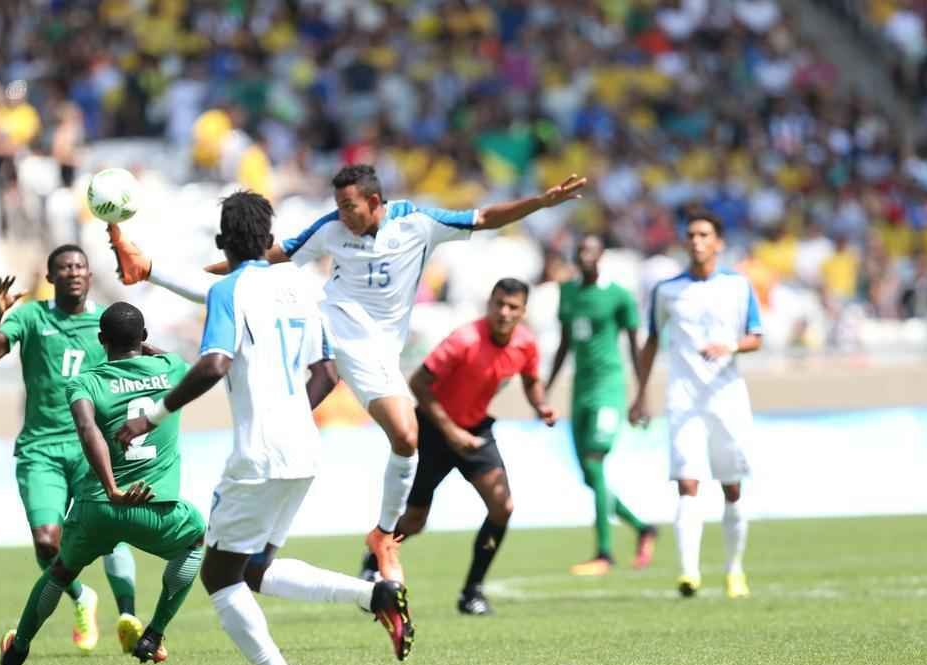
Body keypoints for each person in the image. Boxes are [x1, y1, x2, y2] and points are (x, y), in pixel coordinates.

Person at [112, 163, 587, 586]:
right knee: (244, 290)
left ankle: (384, 534)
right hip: (330, 319)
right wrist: (190, 269)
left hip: (376, 348)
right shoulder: (332, 228)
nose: (343, 214)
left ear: (375, 203)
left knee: (406, 437)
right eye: (338, 206)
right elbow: (263, 258)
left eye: (349, 206)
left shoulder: (417, 223)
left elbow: (484, 218)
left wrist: (539, 204)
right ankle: (146, 267)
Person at [115, 190, 412, 665]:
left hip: (258, 455)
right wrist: (293, 409)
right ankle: (375, 596)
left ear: (221, 244)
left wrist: (151, 416)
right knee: (252, 569)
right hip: (303, 450)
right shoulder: (303, 288)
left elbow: (213, 364)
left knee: (218, 577)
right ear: (272, 241)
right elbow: (326, 373)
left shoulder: (230, 290)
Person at [0, 303, 205, 665]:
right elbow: (170, 358)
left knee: (60, 572)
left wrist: (111, 489)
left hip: (98, 507)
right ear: (143, 338)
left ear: (100, 341)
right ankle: (154, 634)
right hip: (155, 508)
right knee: (195, 539)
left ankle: (19, 649)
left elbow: (86, 429)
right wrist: (146, 348)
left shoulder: (85, 382)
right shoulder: (172, 369)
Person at [0, 245, 139, 653]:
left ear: (88, 273)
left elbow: (131, 366)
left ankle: (129, 617)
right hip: (41, 449)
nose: (74, 272)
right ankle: (83, 597)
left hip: (92, 446)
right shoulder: (31, 317)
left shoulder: (104, 322)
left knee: (111, 534)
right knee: (47, 542)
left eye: (80, 265)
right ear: (50, 277)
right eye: (64, 267)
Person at [374, 278, 556, 616]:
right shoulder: (464, 339)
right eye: (498, 303)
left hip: (475, 430)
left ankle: (472, 591)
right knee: (414, 521)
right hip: (432, 429)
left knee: (502, 507)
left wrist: (540, 405)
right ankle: (375, 557)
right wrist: (451, 431)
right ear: (489, 302)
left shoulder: (526, 344)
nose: (503, 312)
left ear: (523, 312)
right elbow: (419, 383)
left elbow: (531, 380)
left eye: (512, 307)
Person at [629, 209, 763, 599]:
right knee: (687, 483)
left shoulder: (738, 286)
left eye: (704, 234)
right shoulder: (667, 290)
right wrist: (640, 395)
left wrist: (730, 346)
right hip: (683, 398)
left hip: (727, 397)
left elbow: (757, 336)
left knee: (732, 487)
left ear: (719, 242)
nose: (696, 241)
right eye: (691, 235)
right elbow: (651, 341)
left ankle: (734, 569)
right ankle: (688, 573)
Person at [547, 234, 657, 576]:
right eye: (580, 251)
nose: (586, 256)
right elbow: (564, 343)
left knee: (595, 462)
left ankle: (604, 553)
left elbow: (636, 346)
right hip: (580, 390)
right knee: (588, 475)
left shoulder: (618, 296)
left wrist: (642, 396)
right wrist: (545, 391)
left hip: (610, 388)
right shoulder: (567, 293)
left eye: (591, 251)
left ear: (602, 256)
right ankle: (642, 528)